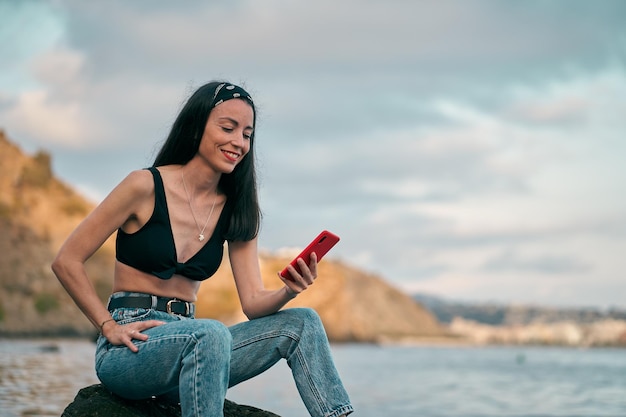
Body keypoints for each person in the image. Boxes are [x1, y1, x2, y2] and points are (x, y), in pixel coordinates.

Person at [51, 81, 354, 417]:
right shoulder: (143, 185)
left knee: (303, 323)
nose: (239, 142)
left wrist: (288, 291)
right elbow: (67, 261)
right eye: (228, 128)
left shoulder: (238, 209)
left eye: (247, 134)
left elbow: (253, 304)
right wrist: (108, 326)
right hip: (132, 348)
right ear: (196, 126)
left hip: (200, 353)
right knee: (210, 333)